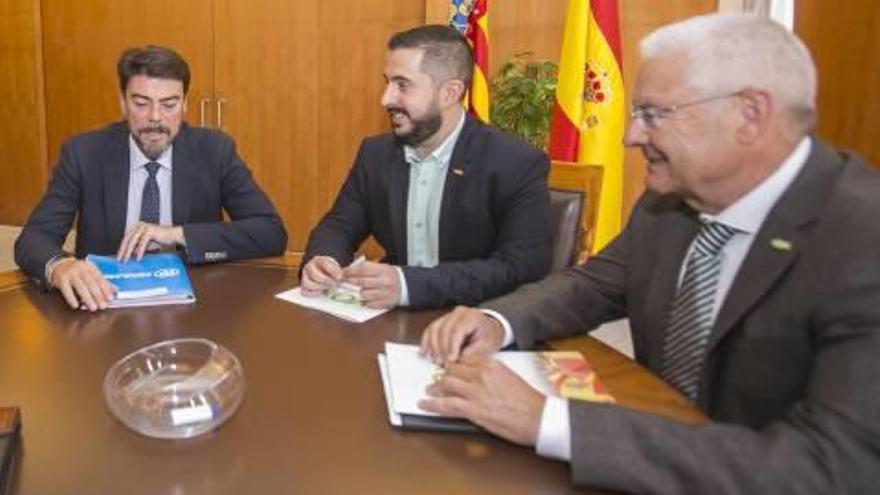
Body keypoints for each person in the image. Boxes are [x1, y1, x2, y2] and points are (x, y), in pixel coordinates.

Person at [419, 13, 880, 493]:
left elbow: (833, 466)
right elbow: (590, 285)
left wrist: (550, 422)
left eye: (654, 114)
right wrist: (497, 321)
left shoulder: (864, 239)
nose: (630, 137)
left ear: (750, 114)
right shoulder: (669, 204)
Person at [15, 45, 287, 312]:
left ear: (185, 105)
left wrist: (176, 234)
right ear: (123, 103)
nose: (155, 118)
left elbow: (271, 232)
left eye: (169, 104)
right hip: (105, 305)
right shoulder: (84, 154)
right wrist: (59, 266)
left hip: (194, 307)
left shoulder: (214, 151)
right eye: (141, 103)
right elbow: (34, 238)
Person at [300, 25, 550, 310]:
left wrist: (408, 285)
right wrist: (324, 259)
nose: (386, 98)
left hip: (474, 322)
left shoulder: (515, 163)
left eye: (402, 85)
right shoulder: (376, 154)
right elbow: (340, 225)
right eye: (387, 82)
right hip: (385, 320)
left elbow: (520, 269)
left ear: (449, 93)